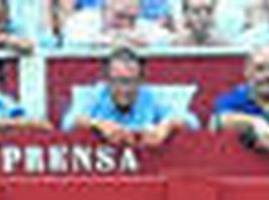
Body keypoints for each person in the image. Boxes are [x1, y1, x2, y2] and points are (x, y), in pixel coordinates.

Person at [61, 45, 198, 146]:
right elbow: (68, 123)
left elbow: (192, 122)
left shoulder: (152, 95)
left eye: (130, 81)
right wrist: (98, 124)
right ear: (107, 80)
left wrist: (166, 126)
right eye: (118, 81)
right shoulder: (91, 95)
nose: (124, 89)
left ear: (141, 80)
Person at [61, 0, 174, 47]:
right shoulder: (80, 21)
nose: (125, 24)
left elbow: (170, 40)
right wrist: (112, 41)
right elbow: (74, 39)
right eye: (120, 16)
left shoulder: (142, 25)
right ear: (104, 10)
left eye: (131, 18)